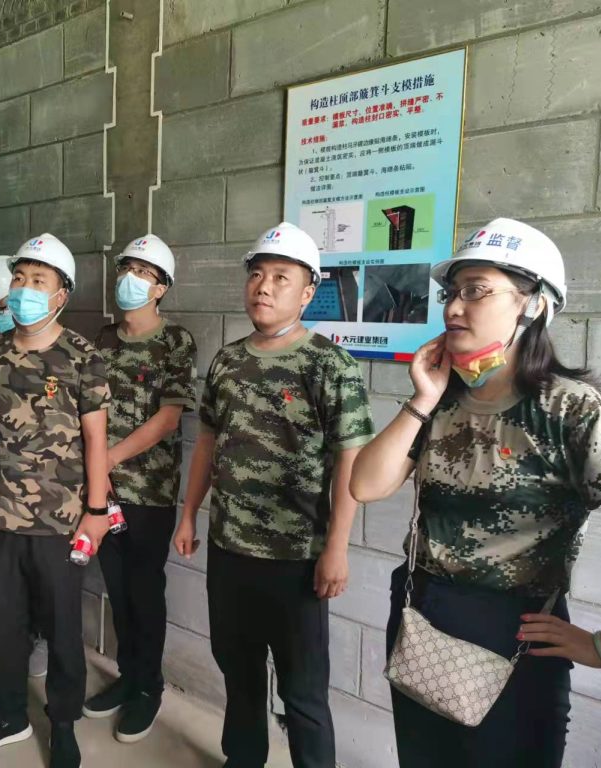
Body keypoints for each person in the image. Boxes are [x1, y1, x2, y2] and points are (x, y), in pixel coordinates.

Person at [349, 218, 601, 768]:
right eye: (451, 293)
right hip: (423, 616)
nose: (453, 308)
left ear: (533, 305)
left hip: (515, 633)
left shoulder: (573, 411)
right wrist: (422, 397)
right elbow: (365, 484)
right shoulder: (441, 399)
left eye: (476, 291)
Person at [174, 222, 375, 768]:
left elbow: (350, 462)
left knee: (302, 693)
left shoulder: (329, 366)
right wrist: (189, 514)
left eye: (281, 277)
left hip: (297, 558)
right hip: (230, 550)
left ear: (307, 293)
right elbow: (207, 443)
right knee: (238, 675)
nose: (263, 286)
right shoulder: (227, 361)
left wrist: (337, 548)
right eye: (257, 274)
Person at [0, 233, 111, 768]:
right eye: (19, 278)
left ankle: (62, 723)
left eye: (38, 280)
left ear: (61, 294)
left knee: (63, 627)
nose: (24, 288)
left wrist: (96, 511)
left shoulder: (83, 357)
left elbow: (96, 441)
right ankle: (8, 716)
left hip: (61, 520)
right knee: (3, 624)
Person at [84, 234, 197, 743]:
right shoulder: (103, 339)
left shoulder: (176, 341)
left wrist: (107, 459)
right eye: (127, 268)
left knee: (145, 591)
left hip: (149, 492)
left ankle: (149, 687)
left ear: (161, 288)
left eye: (144, 273)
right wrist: (97, 472)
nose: (131, 278)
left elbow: (169, 418)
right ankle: (128, 677)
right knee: (117, 586)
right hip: (103, 492)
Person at [0, 254, 49, 676]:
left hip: (45, 492)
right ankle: (13, 636)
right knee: (4, 578)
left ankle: (40, 637)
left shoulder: (61, 352)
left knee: (43, 578)